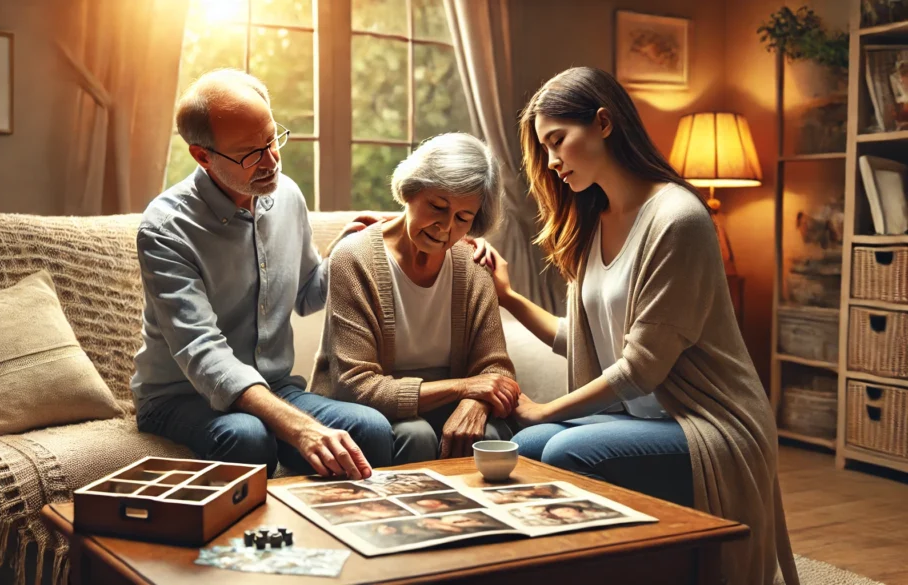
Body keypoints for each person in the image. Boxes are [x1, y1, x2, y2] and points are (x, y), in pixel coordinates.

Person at [484, 67, 798, 585]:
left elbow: (639, 369)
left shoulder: (678, 218)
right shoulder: (595, 221)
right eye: (544, 149)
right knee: (534, 448)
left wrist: (542, 409)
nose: (551, 161)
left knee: (560, 447)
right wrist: (509, 297)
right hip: (648, 420)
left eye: (557, 141)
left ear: (603, 123)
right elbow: (582, 340)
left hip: (709, 423)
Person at [131, 69, 394, 480]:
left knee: (373, 432)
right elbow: (203, 353)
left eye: (272, 139)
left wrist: (349, 248)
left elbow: (308, 294)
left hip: (275, 386)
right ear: (203, 156)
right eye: (249, 153)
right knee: (248, 436)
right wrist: (300, 428)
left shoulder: (285, 195)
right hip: (182, 397)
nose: (271, 160)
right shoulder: (166, 229)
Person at [309, 133, 520, 463]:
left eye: (463, 218)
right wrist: (465, 388)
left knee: (489, 434)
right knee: (415, 433)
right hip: (368, 409)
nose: (445, 228)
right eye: (437, 207)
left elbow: (496, 370)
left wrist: (474, 403)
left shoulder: (475, 265)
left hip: (446, 407)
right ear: (411, 190)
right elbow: (356, 385)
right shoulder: (353, 258)